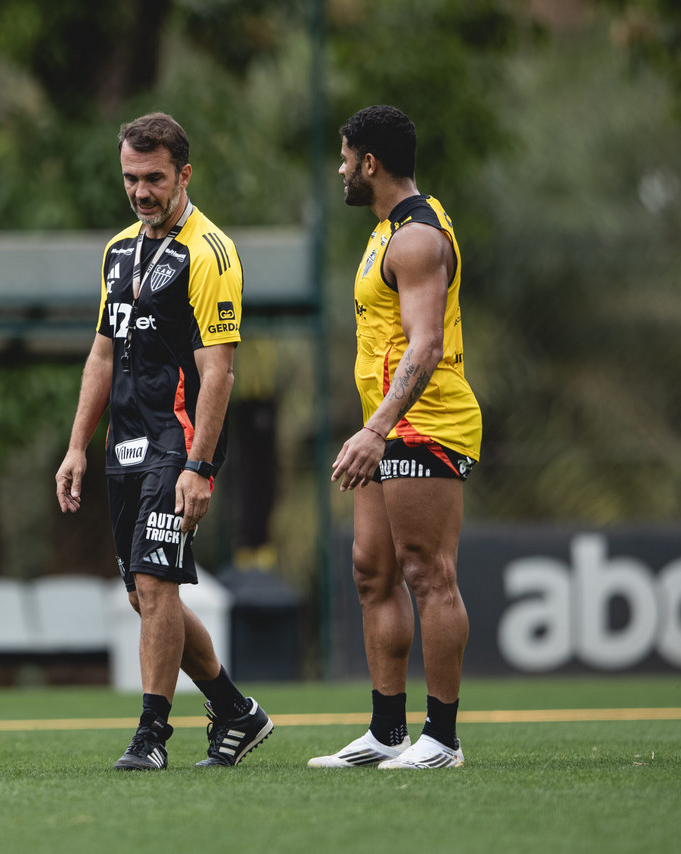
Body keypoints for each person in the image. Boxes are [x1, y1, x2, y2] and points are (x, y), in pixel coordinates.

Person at [55, 113, 273, 770]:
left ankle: (151, 736)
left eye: (153, 178)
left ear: (184, 173)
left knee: (154, 586)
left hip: (177, 448)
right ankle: (236, 710)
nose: (141, 191)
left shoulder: (210, 253)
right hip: (123, 446)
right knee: (149, 597)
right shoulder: (118, 251)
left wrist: (200, 466)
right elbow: (101, 355)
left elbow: (219, 369)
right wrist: (74, 448)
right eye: (130, 178)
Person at [309, 105, 481, 770]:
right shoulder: (386, 230)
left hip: (425, 423)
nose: (342, 169)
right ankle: (386, 733)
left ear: (370, 162)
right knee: (372, 572)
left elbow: (426, 345)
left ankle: (442, 739)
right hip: (386, 428)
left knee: (426, 574)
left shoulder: (417, 238)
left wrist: (376, 428)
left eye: (347, 158)